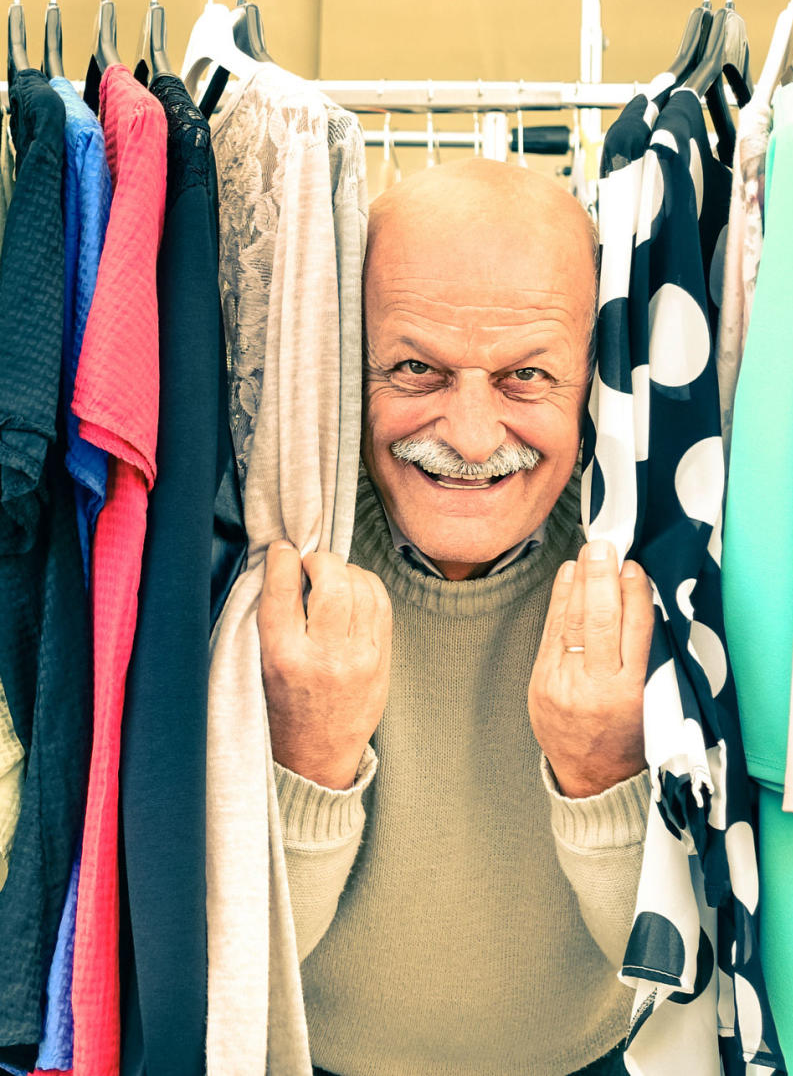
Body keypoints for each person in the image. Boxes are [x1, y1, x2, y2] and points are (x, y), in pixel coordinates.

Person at [256, 158, 655, 1076]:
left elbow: (666, 971)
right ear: (353, 362)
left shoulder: (645, 554)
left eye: (524, 376)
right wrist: (307, 756)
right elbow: (232, 959)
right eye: (415, 369)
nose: (471, 437)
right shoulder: (275, 541)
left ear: (589, 382)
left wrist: (603, 771)